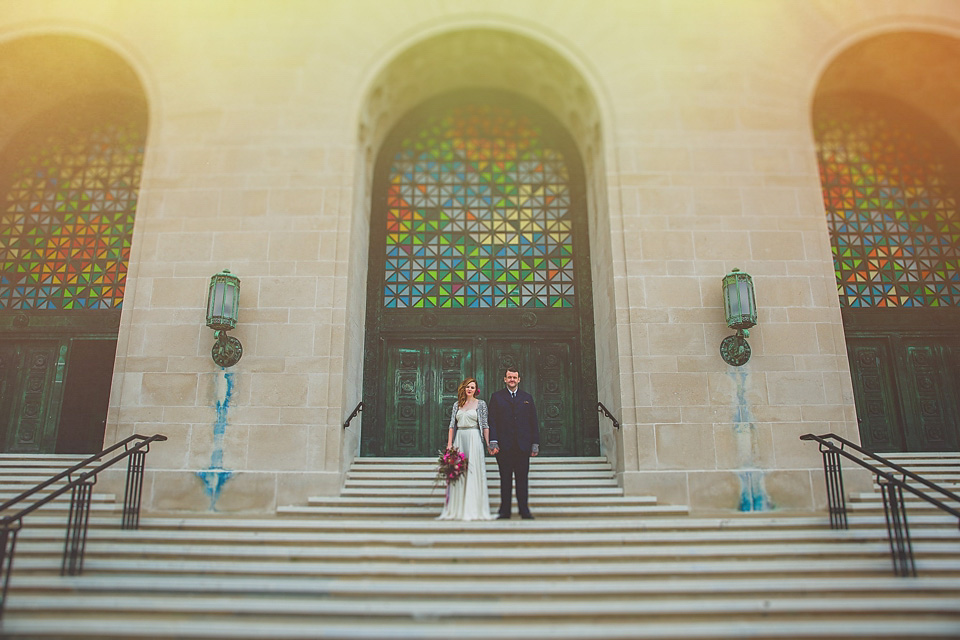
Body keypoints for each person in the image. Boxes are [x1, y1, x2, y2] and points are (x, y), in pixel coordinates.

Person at [437, 377, 495, 521]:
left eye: (472, 387)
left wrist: (488, 444)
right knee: (459, 472)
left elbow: (485, 425)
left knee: (473, 471)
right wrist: (449, 445)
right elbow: (452, 425)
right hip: (460, 439)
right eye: (468, 387)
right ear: (464, 388)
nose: (470, 389)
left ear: (476, 390)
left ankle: (473, 508)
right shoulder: (457, 404)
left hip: (474, 437)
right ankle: (457, 508)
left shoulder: (481, 404)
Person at [487, 367, 539, 519]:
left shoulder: (527, 397)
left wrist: (535, 443)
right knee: (505, 480)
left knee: (522, 480)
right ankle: (505, 511)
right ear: (504, 379)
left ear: (519, 379)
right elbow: (492, 421)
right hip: (504, 447)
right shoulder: (496, 397)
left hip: (523, 447)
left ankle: (524, 510)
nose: (512, 380)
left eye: (514, 377)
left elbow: (533, 421)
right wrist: (493, 441)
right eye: (509, 377)